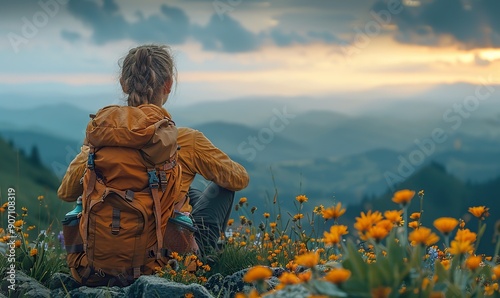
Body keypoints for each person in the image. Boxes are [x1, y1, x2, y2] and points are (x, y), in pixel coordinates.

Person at [58, 44, 249, 268]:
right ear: (168, 84)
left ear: (123, 83)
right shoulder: (185, 140)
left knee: (190, 193)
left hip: (98, 262)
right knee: (221, 188)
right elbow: (239, 179)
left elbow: (66, 192)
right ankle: (205, 259)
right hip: (165, 263)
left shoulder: (99, 139)